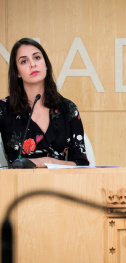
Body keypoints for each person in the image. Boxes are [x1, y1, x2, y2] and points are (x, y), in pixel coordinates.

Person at [0, 38, 89, 168]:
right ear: (17, 72)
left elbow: (81, 164)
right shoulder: (4, 109)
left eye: (37, 58)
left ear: (46, 64)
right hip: (19, 185)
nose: (32, 64)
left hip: (60, 185)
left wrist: (48, 163)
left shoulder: (68, 109)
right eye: (24, 61)